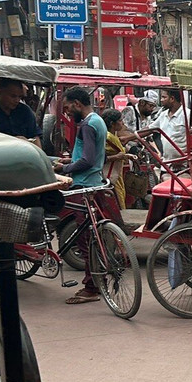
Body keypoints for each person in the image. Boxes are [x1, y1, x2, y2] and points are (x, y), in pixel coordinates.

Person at [54, 87, 116, 305]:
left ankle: (91, 287)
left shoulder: (88, 125)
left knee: (86, 241)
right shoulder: (98, 121)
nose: (68, 112)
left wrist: (64, 169)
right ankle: (98, 283)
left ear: (77, 104)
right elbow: (96, 156)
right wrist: (70, 161)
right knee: (94, 239)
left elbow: (88, 160)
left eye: (68, 107)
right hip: (95, 184)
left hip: (84, 187)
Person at [0, 78, 43, 145]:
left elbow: (35, 136)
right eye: (13, 96)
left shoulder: (25, 111)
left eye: (20, 97)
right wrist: (13, 140)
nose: (17, 100)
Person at [101, 109, 136, 209]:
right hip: (111, 175)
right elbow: (116, 153)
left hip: (116, 173)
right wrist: (120, 156)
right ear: (112, 123)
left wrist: (127, 156)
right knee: (118, 200)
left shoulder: (112, 135)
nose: (123, 123)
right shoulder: (108, 137)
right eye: (120, 120)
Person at [156, 87, 187, 161]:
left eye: (164, 97)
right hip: (166, 162)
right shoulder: (163, 115)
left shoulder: (187, 114)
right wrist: (132, 136)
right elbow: (149, 129)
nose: (161, 100)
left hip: (182, 163)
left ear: (172, 99)